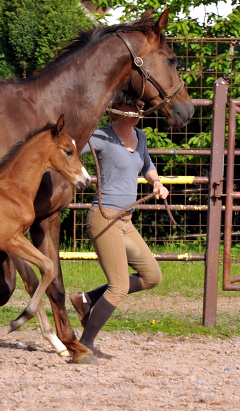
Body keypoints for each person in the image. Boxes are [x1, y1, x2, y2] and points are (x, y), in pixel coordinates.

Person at [69, 93, 169, 360]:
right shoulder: (101, 136)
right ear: (118, 108)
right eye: (133, 105)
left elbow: (146, 164)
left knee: (152, 276)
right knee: (119, 286)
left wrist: (156, 182)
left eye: (140, 105)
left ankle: (87, 300)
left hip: (126, 220)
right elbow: (70, 150)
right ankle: (85, 344)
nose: (139, 108)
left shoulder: (141, 136)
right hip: (105, 217)